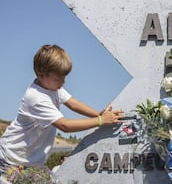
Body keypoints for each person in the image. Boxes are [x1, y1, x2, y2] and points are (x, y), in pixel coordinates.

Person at [0, 44, 124, 180]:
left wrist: (99, 115)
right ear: (41, 75)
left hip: (29, 163)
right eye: (58, 78)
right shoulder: (36, 97)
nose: (63, 82)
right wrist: (100, 121)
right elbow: (64, 125)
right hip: (10, 161)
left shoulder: (54, 89)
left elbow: (74, 104)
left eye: (64, 78)